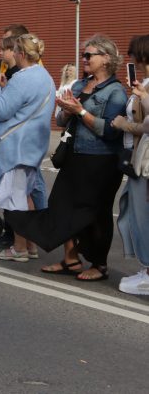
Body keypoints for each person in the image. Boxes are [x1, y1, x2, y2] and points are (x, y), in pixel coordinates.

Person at [10, 35, 127, 280]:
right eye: (84, 54)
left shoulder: (116, 92)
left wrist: (80, 111)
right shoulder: (78, 85)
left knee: (95, 213)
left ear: (106, 59)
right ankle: (71, 260)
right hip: (74, 155)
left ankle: (99, 265)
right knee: (61, 207)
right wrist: (65, 111)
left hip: (100, 161)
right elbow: (63, 120)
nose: (84, 59)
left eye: (89, 55)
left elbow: (110, 130)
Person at [0, 34, 55, 263]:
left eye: (14, 50)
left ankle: (19, 247)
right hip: (33, 145)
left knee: (15, 200)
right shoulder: (44, 76)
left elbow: (1, 110)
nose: (11, 54)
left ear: (22, 54)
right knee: (26, 196)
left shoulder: (22, 78)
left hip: (17, 146)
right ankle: (30, 245)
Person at [110, 34, 149, 295]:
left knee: (142, 216)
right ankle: (146, 269)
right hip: (138, 158)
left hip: (145, 161)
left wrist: (124, 124)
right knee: (134, 213)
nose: (133, 60)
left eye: (135, 55)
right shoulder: (143, 83)